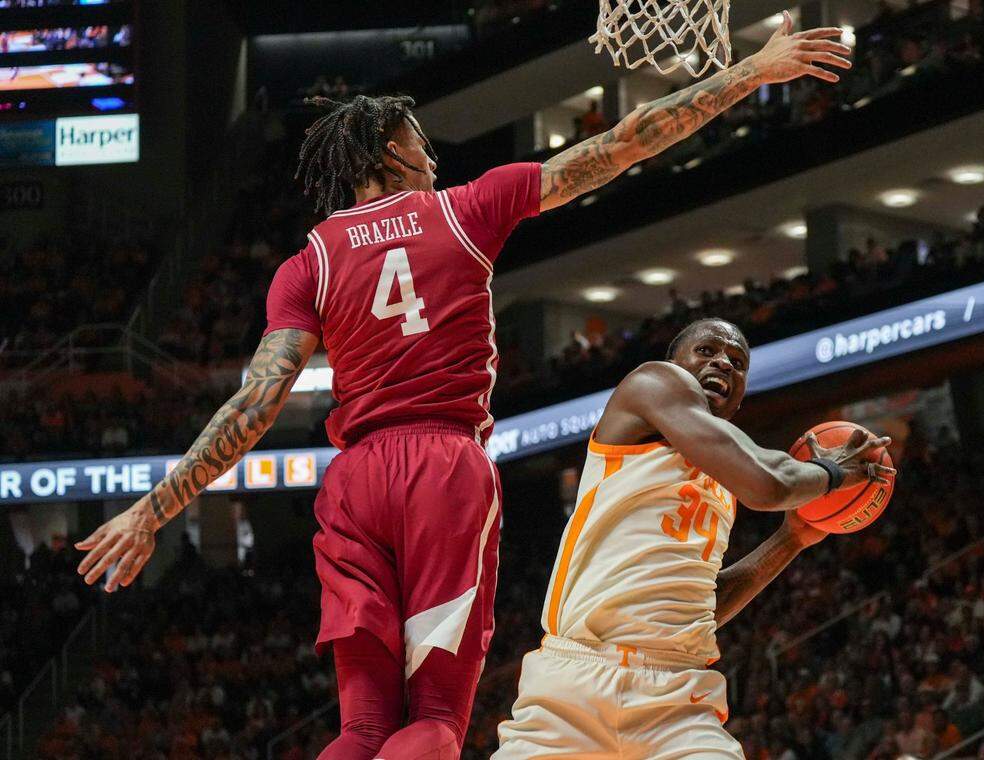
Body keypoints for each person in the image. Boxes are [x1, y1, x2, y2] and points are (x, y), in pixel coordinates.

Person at [73, 12, 852, 759]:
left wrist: (155, 508)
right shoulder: (463, 210)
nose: (434, 159)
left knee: (366, 725)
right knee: (438, 722)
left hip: (354, 481)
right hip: (441, 470)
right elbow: (625, 143)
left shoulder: (305, 263)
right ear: (388, 151)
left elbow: (257, 402)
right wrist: (752, 72)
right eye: (421, 145)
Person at [494, 318, 893, 758]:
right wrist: (831, 473)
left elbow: (699, 608)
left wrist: (792, 539)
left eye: (737, 362)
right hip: (571, 686)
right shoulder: (651, 383)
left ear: (740, 396)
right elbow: (771, 483)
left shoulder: (724, 486)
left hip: (676, 698)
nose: (723, 361)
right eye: (707, 351)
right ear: (675, 364)